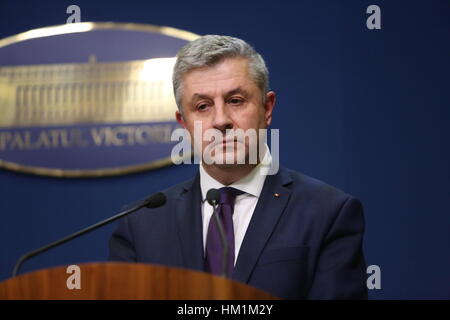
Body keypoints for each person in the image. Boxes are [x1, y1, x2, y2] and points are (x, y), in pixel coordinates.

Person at [109, 35, 368, 299]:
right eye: (202, 106)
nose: (221, 120)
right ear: (184, 123)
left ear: (267, 108)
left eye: (235, 100)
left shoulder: (327, 213)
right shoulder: (141, 223)